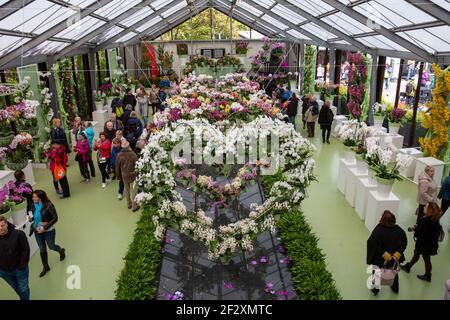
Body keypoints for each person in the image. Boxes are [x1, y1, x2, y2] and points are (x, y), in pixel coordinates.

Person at [367, 210, 407, 295]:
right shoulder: (400, 231)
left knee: (377, 273)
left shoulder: (378, 230)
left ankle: (375, 290)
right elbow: (404, 243)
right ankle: (395, 288)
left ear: (383, 220)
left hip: (380, 259)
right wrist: (398, 253)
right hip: (394, 259)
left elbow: (372, 243)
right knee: (394, 273)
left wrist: (384, 254)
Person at [401, 202, 443, 282]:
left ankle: (427, 275)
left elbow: (419, 233)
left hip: (424, 244)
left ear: (429, 210)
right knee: (418, 254)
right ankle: (409, 267)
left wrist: (415, 230)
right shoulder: (435, 219)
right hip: (431, 244)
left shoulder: (425, 220)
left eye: (426, 207)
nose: (424, 207)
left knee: (425, 258)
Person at [29, 190, 66, 277]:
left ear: (40, 197)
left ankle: (61, 251)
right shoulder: (32, 205)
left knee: (51, 246)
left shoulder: (49, 205)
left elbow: (55, 218)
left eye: (35, 197)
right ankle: (46, 267)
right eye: (33, 196)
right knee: (42, 249)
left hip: (49, 231)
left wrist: (44, 227)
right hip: (37, 230)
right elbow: (34, 216)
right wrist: (31, 219)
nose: (33, 198)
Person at [0, 216, 30, 300]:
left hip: (19, 270)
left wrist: (22, 265)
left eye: (2, 225)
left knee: (23, 289)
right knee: (16, 288)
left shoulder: (18, 234)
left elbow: (25, 250)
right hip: (4, 272)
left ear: (7, 224)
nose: (0, 228)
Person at [116, 140, 139, 212]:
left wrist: (118, 176)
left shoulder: (119, 155)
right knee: (134, 190)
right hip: (132, 175)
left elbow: (117, 167)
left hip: (124, 175)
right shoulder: (133, 154)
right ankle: (134, 206)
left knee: (127, 190)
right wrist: (138, 173)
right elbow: (137, 164)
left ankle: (129, 204)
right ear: (128, 146)